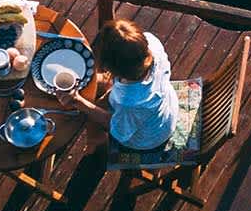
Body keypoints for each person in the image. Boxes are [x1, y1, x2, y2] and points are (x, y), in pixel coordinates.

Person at [57, 18, 178, 149]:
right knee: (96, 98)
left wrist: (77, 101)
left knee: (88, 119)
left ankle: (95, 144)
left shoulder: (128, 102)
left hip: (149, 138)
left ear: (110, 69)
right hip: (164, 109)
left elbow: (117, 129)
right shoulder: (153, 44)